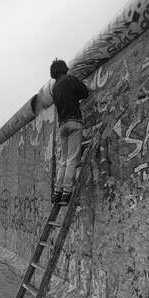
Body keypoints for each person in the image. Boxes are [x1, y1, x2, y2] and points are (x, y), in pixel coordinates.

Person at [50, 59, 89, 204]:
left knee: (63, 160)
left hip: (62, 126)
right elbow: (85, 92)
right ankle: (67, 192)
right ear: (65, 68)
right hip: (74, 122)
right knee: (73, 159)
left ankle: (57, 192)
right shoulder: (70, 80)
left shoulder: (54, 88)